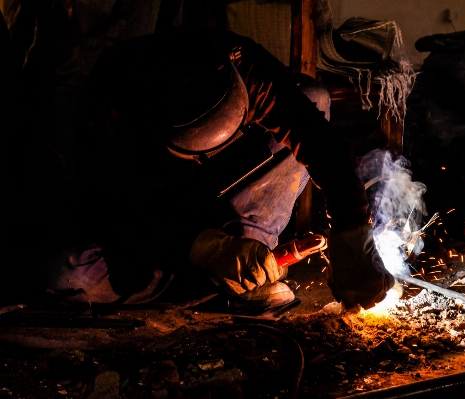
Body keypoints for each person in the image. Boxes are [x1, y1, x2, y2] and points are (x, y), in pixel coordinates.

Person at [36, 27, 395, 311]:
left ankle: (246, 256)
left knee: (314, 97)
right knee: (68, 271)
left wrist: (353, 231)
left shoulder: (239, 61)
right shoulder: (114, 102)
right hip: (157, 210)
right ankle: (220, 276)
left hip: (228, 186)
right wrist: (202, 247)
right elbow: (111, 210)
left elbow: (319, 139)